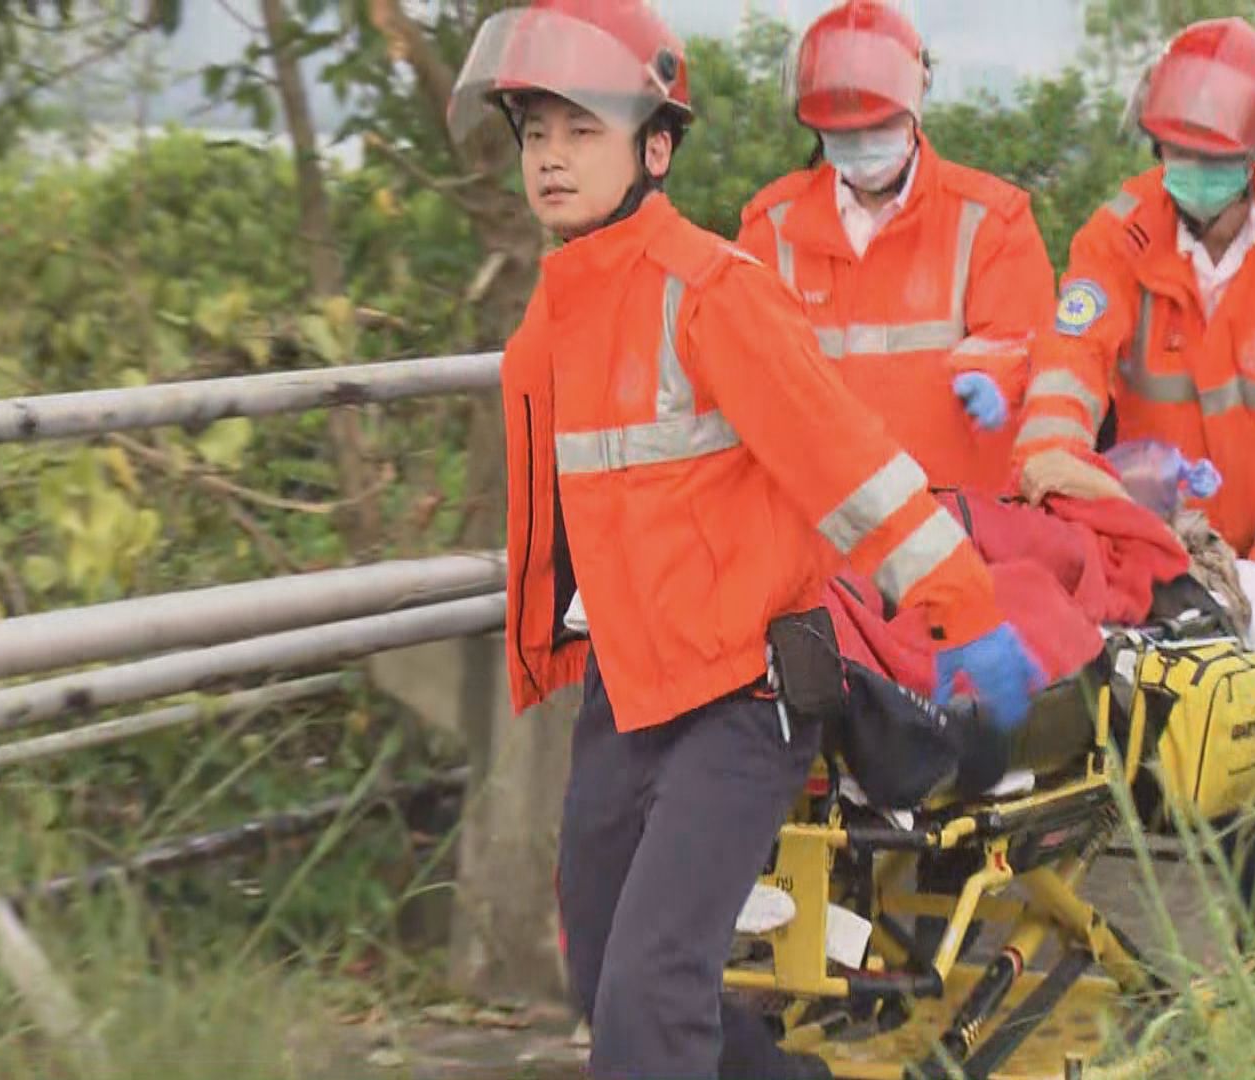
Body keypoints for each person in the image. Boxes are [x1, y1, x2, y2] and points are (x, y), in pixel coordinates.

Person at [446, 3, 1043, 1077]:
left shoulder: (713, 295)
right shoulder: (553, 320)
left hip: (744, 696)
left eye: (581, 130)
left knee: (650, 991)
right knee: (605, 977)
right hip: (628, 690)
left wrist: (963, 606)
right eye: (534, 133)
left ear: (655, 149)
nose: (550, 157)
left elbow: (847, 467)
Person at [1013, 16, 1255, 707]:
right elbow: (1071, 361)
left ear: (1252, 150)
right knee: (1144, 742)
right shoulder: (1119, 236)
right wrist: (1050, 466)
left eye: (1213, 154)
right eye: (1179, 151)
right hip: (1155, 550)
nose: (1194, 169)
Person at [736, 0, 1056, 494]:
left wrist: (995, 375)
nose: (863, 143)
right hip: (821, 516)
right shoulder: (771, 228)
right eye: (845, 132)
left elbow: (1023, 337)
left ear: (913, 111)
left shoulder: (991, 221)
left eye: (878, 125)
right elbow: (740, 367)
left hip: (954, 514)